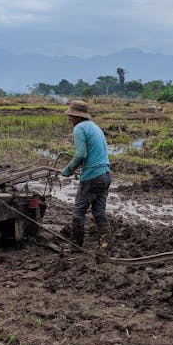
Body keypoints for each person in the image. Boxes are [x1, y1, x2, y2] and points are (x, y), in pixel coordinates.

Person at [59, 100, 112, 251]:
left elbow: (81, 154)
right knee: (99, 213)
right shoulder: (95, 127)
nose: (69, 119)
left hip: (92, 177)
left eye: (70, 116)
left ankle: (76, 246)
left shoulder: (79, 128)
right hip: (105, 176)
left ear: (77, 117)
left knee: (78, 211)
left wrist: (68, 169)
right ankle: (106, 245)